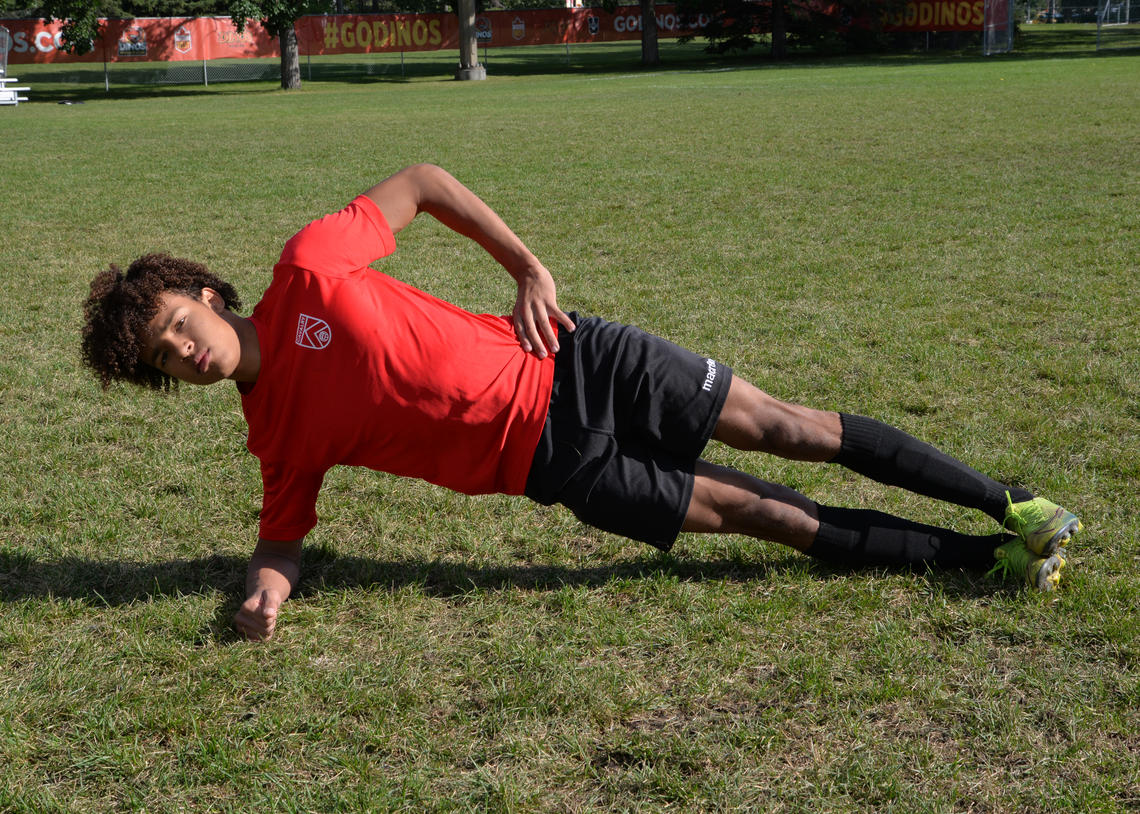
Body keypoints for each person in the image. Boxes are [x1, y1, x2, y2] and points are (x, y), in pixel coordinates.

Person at [81, 164, 1082, 642]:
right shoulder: (275, 434)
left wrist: (525, 265)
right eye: (166, 363)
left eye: (177, 326)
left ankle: (1012, 503)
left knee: (794, 430)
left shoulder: (309, 268)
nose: (186, 354)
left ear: (207, 295)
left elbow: (424, 183)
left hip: (576, 362)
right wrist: (266, 590)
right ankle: (986, 560)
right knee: (759, 515)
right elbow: (284, 537)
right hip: (557, 467)